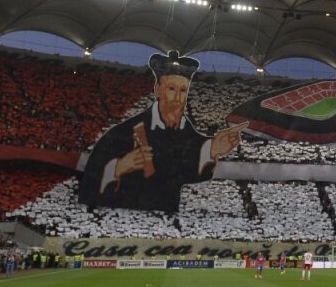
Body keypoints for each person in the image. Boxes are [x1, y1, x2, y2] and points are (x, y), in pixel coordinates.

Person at [79, 51, 243, 212]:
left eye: (183, 90)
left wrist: (213, 148)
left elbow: (190, 170)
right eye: (172, 89)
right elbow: (91, 180)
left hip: (167, 214)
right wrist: (120, 167)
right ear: (158, 89)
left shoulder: (187, 132)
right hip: (125, 212)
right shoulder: (123, 133)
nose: (178, 99)